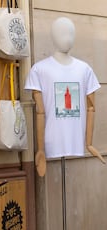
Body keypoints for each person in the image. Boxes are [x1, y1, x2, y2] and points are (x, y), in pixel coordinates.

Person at [25, 17, 105, 177]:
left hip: (76, 139)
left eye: (70, 33)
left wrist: (88, 143)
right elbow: (39, 111)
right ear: (53, 37)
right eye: (62, 33)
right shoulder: (39, 70)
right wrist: (40, 149)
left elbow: (91, 107)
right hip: (52, 141)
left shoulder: (84, 69)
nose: (67, 37)